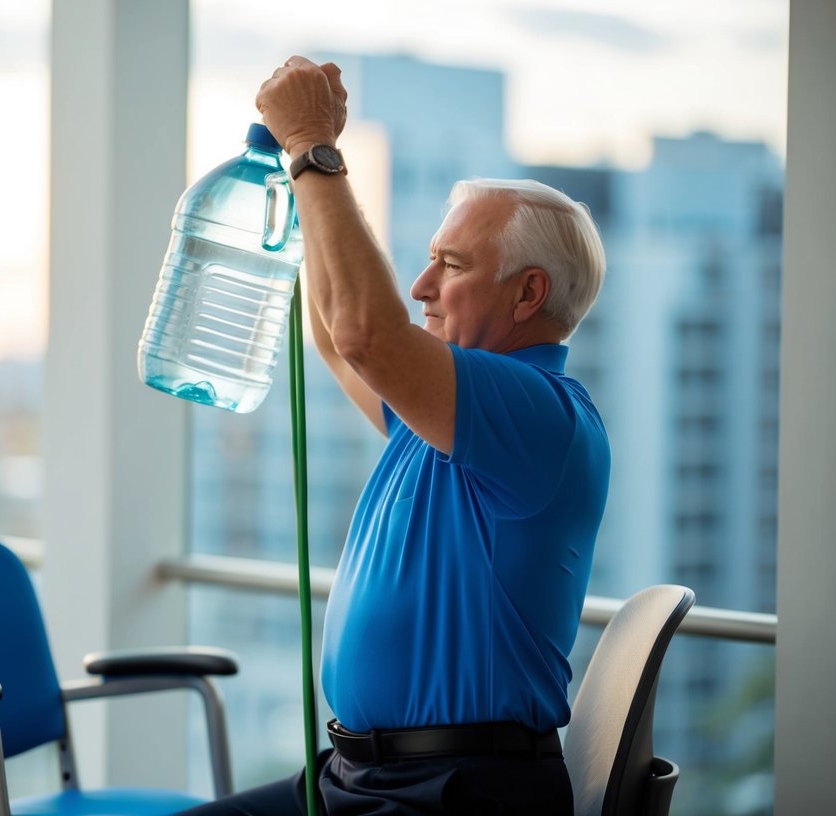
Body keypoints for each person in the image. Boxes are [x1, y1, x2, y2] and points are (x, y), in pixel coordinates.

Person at [181, 56, 610, 815]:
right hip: (355, 778)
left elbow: (365, 335)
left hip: (452, 794)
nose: (421, 286)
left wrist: (316, 147)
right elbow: (333, 331)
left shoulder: (540, 416)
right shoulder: (438, 420)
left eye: (449, 265)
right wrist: (300, 172)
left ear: (528, 294)